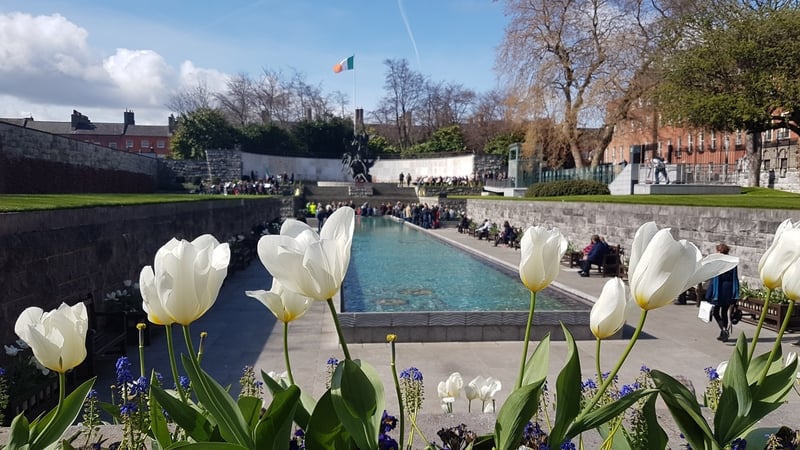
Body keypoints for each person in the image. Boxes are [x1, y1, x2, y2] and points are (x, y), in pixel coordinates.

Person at [705, 243, 739, 342]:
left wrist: (708, 295)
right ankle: (723, 334)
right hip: (729, 291)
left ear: (719, 251)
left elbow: (714, 280)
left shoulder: (718, 262)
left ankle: (724, 329)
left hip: (719, 291)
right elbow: (735, 278)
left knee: (716, 312)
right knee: (724, 312)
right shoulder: (732, 262)